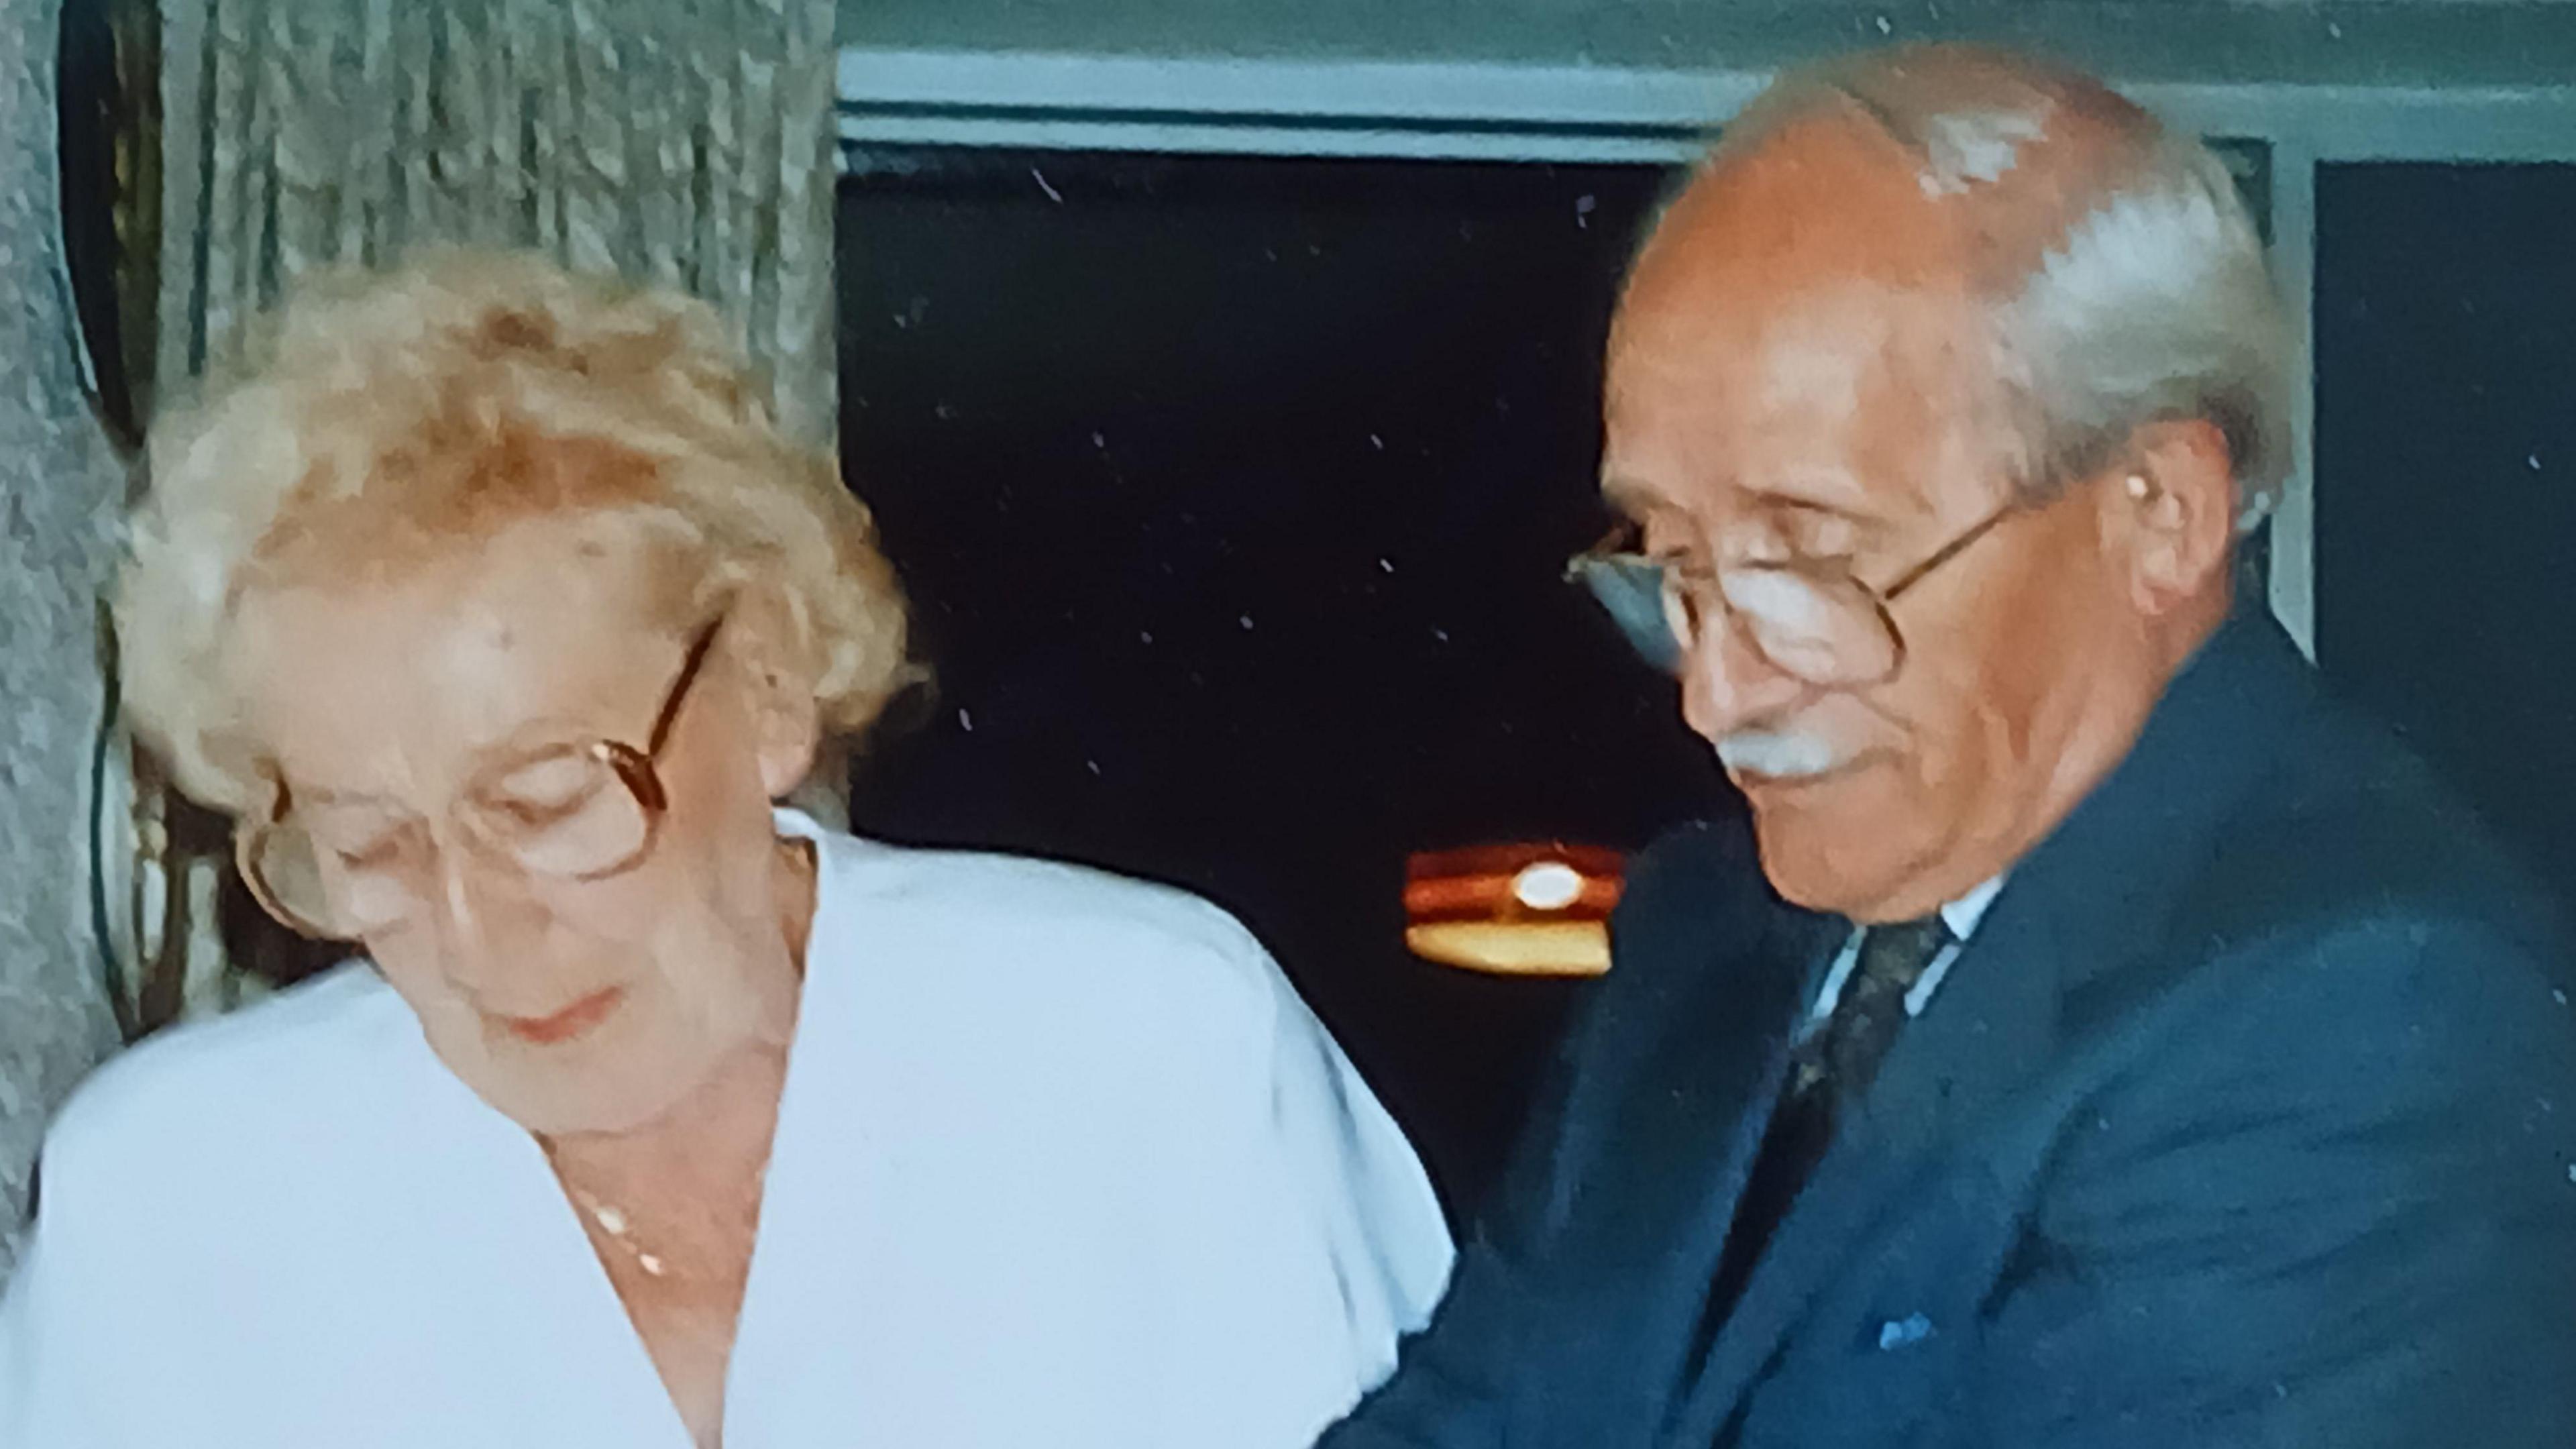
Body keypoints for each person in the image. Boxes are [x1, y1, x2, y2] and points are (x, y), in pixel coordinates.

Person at [1324, 45, 2576, 1449]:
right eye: (1673, 570)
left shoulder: (2376, 1019)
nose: (1717, 692)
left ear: (2160, 510)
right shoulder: (1708, 939)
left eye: (1811, 564)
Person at [0, 252, 1451, 1449]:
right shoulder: (184, 1192)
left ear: (764, 692)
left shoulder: (1141, 1040)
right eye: (368, 847)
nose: (481, 934)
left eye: (551, 805)